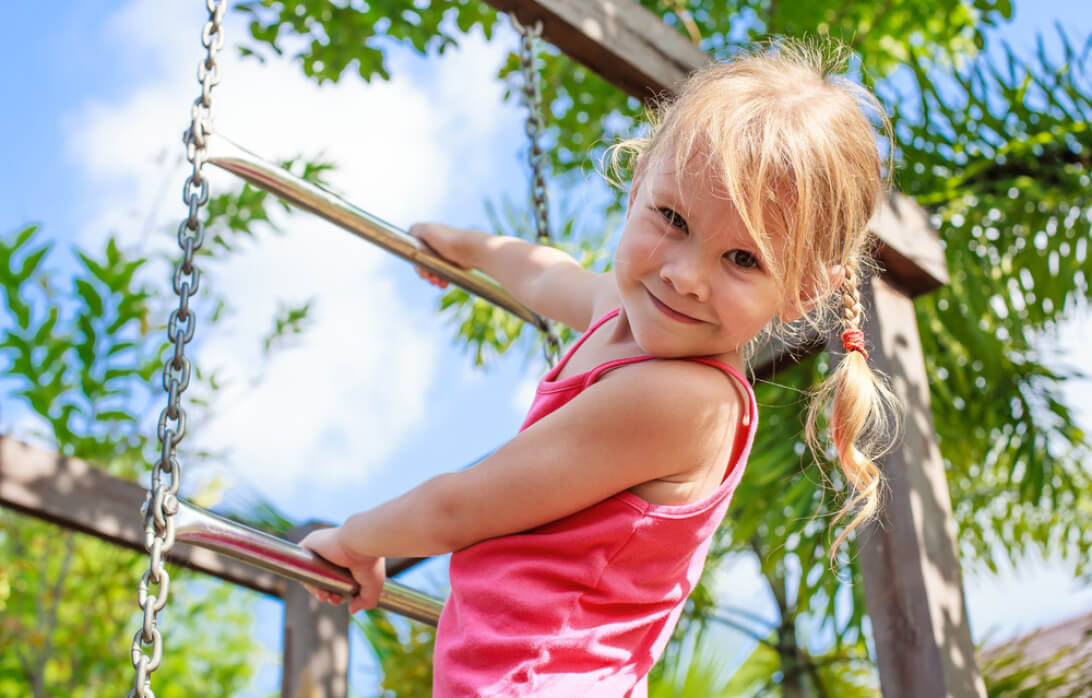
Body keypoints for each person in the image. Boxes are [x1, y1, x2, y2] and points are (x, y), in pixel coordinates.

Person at [298, 38, 899, 697]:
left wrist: (354, 540)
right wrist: (471, 247)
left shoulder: (684, 401)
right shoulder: (626, 308)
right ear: (638, 183)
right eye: (672, 218)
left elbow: (457, 507)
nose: (684, 275)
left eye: (743, 260)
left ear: (803, 290)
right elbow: (552, 276)